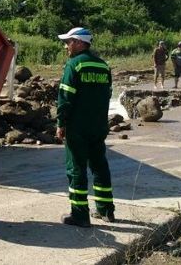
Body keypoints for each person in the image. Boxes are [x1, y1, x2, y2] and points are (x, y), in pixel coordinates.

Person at [55, 27, 115, 228]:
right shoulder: (103, 66)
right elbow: (107, 95)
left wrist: (60, 123)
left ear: (79, 43)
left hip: (78, 127)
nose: (66, 46)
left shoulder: (74, 65)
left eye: (69, 42)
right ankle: (106, 210)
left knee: (76, 169)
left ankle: (80, 214)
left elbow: (65, 98)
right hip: (98, 126)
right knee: (99, 166)